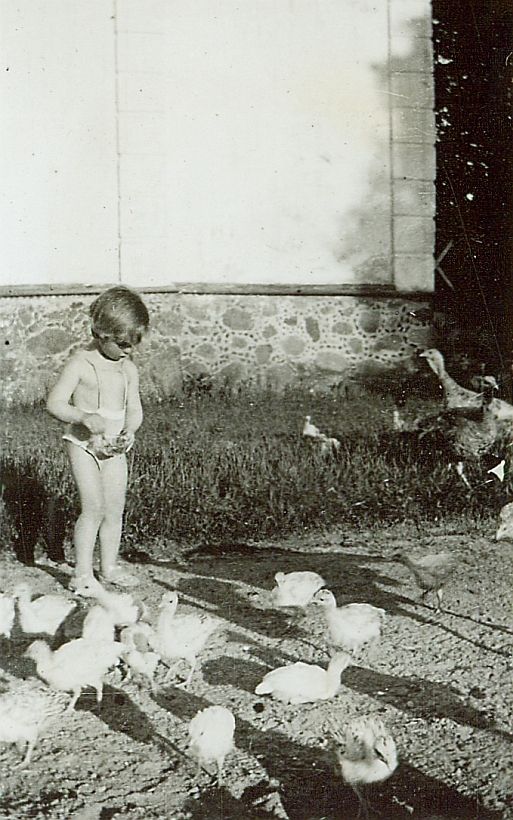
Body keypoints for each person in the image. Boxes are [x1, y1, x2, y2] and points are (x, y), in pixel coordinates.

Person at [46, 285, 150, 595]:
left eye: (134, 344)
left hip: (113, 447)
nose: (128, 350)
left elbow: (135, 409)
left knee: (114, 509)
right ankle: (81, 574)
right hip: (83, 445)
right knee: (93, 507)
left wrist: (130, 430)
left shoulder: (128, 370)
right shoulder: (81, 363)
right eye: (122, 344)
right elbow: (55, 404)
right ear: (101, 333)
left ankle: (109, 567)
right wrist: (82, 416)